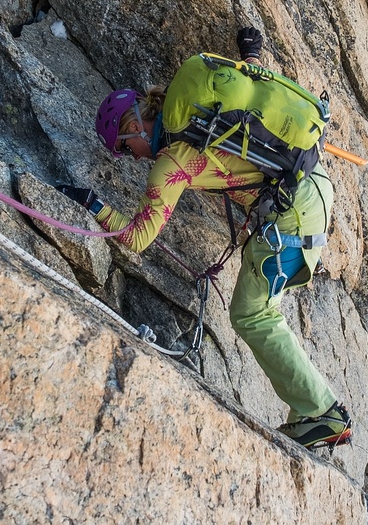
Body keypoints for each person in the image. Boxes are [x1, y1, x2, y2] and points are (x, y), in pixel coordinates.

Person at [58, 28, 351, 449]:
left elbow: (138, 237)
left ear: (133, 126)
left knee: (253, 316)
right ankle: (307, 413)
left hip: (292, 217)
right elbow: (253, 88)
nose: (132, 157)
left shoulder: (171, 160)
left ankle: (323, 413)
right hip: (311, 184)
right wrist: (251, 52)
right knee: (260, 309)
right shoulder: (199, 106)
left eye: (125, 148)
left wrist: (91, 204)